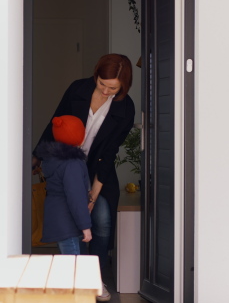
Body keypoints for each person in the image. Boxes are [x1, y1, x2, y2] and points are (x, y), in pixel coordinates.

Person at [33, 53, 135, 302]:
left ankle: (94, 277)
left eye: (113, 87)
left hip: (99, 169)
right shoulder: (78, 88)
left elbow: (111, 150)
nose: (106, 90)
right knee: (71, 222)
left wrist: (94, 192)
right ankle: (75, 278)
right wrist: (37, 157)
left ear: (124, 85)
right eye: (102, 84)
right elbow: (54, 123)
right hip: (69, 165)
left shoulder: (126, 107)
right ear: (96, 75)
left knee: (101, 221)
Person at [37, 115, 92, 254]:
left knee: (69, 264)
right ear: (80, 137)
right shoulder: (72, 164)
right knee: (72, 265)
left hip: (59, 220)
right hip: (68, 222)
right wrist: (85, 226)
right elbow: (76, 197)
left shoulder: (53, 160)